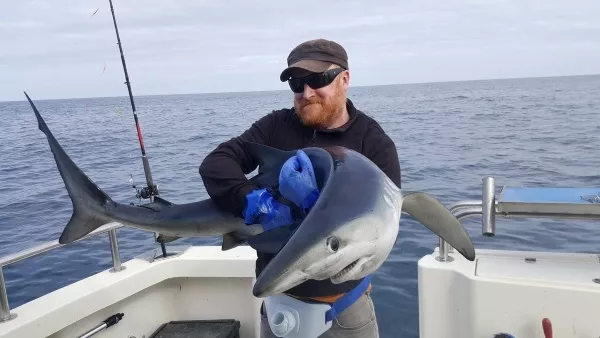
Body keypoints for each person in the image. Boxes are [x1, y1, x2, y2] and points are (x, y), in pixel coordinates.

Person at [199, 38, 401, 337]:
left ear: (344, 79)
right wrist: (253, 202)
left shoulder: (373, 143)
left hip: (344, 312)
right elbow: (217, 162)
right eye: (296, 83)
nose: (306, 93)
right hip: (278, 307)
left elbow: (388, 219)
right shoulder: (276, 126)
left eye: (318, 80)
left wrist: (316, 205)